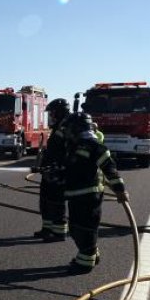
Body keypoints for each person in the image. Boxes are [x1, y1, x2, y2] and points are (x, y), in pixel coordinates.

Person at [62, 113, 129, 272]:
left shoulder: (96, 147)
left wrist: (120, 190)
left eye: (70, 129)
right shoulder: (74, 145)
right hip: (74, 195)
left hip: (89, 196)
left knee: (85, 229)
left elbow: (110, 170)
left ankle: (85, 263)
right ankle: (91, 253)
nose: (67, 132)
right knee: (75, 228)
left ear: (77, 128)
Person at [34, 98, 72, 241]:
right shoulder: (58, 127)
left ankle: (59, 233)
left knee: (57, 203)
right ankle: (47, 229)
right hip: (50, 171)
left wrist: (60, 167)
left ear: (60, 112)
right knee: (45, 201)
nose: (51, 116)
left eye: (52, 113)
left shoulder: (68, 128)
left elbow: (68, 151)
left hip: (59, 173)